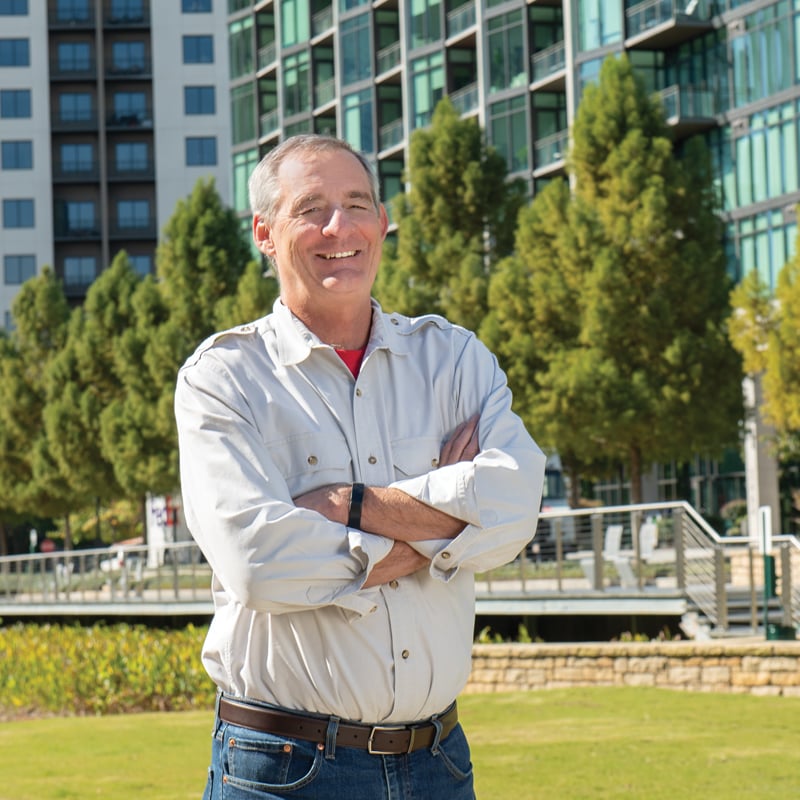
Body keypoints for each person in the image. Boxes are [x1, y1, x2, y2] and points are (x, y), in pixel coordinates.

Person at [174, 133, 546, 799]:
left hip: (439, 764)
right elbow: (258, 564)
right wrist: (444, 530)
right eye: (310, 208)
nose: (338, 227)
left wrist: (346, 506)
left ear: (381, 223)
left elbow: (516, 508)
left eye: (357, 204)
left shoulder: (454, 360)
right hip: (284, 769)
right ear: (265, 232)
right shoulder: (223, 380)